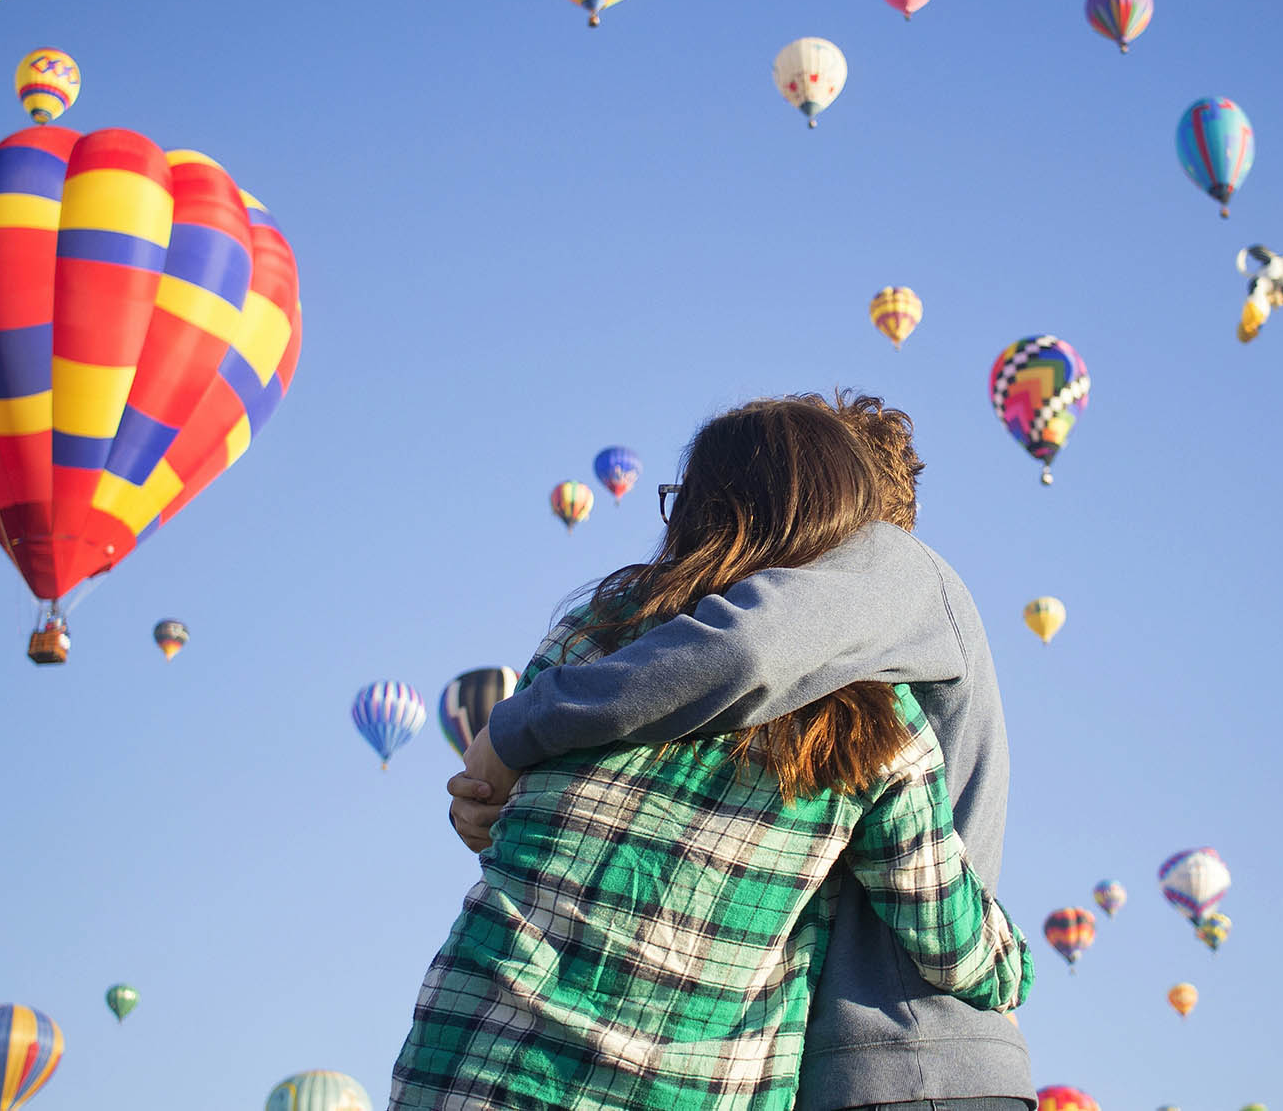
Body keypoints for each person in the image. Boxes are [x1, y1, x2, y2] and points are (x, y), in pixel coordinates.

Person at [391, 395, 1031, 1111]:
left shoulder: (596, 630)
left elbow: (524, 838)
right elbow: (945, 929)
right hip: (683, 1086)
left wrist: (498, 757)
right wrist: (1013, 967)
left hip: (472, 1060)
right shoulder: (872, 723)